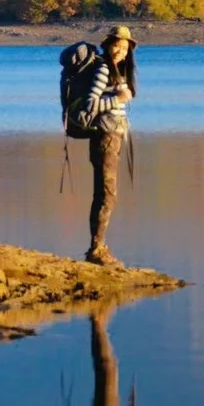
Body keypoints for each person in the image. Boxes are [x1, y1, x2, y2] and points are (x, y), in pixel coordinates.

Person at [79, 24, 136, 267]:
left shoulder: (117, 70)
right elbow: (90, 106)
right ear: (106, 45)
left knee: (106, 194)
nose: (119, 51)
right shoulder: (103, 69)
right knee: (107, 194)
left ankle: (98, 246)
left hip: (112, 137)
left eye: (124, 48)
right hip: (105, 137)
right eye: (116, 46)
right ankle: (96, 248)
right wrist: (118, 99)